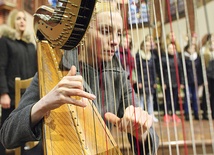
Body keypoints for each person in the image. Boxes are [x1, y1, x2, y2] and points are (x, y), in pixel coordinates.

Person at [0, 1, 159, 155]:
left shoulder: (118, 74)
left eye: (119, 33)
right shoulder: (56, 69)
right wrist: (43, 104)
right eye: (105, 31)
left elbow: (150, 143)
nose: (115, 42)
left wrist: (142, 133)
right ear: (84, 33)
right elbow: (7, 136)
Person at [0, 9, 38, 155]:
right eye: (18, 18)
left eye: (24, 19)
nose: (22, 21)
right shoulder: (5, 41)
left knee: (24, 132)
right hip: (10, 94)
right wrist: (3, 93)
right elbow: (1, 67)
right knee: (6, 133)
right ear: (12, 22)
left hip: (28, 96)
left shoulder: (30, 45)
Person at [134, 40, 158, 122]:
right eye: (146, 45)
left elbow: (154, 70)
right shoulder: (138, 55)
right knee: (141, 99)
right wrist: (139, 81)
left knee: (150, 99)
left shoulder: (152, 56)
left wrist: (155, 81)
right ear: (142, 46)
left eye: (148, 45)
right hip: (142, 81)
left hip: (150, 81)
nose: (147, 47)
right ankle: (141, 116)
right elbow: (137, 70)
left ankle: (151, 115)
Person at [161, 43, 184, 123]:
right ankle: (166, 114)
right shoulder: (163, 59)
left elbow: (180, 71)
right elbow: (162, 72)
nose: (172, 50)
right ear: (167, 50)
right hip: (167, 83)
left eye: (173, 48)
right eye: (170, 48)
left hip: (175, 82)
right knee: (167, 99)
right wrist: (163, 82)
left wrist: (181, 82)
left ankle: (174, 114)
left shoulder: (177, 59)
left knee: (175, 99)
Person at [183, 43, 203, 120]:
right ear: (187, 49)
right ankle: (187, 113)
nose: (192, 49)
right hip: (187, 80)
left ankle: (196, 112)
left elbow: (200, 70)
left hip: (196, 81)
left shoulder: (197, 58)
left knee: (195, 97)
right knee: (187, 97)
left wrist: (200, 81)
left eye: (194, 48)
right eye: (191, 48)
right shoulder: (184, 58)